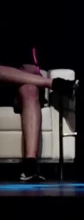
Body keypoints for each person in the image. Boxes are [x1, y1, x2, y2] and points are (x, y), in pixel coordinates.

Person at [0, 43, 76, 181]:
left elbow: (32, 67)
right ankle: (54, 83)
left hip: (17, 86)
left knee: (30, 90)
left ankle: (30, 165)